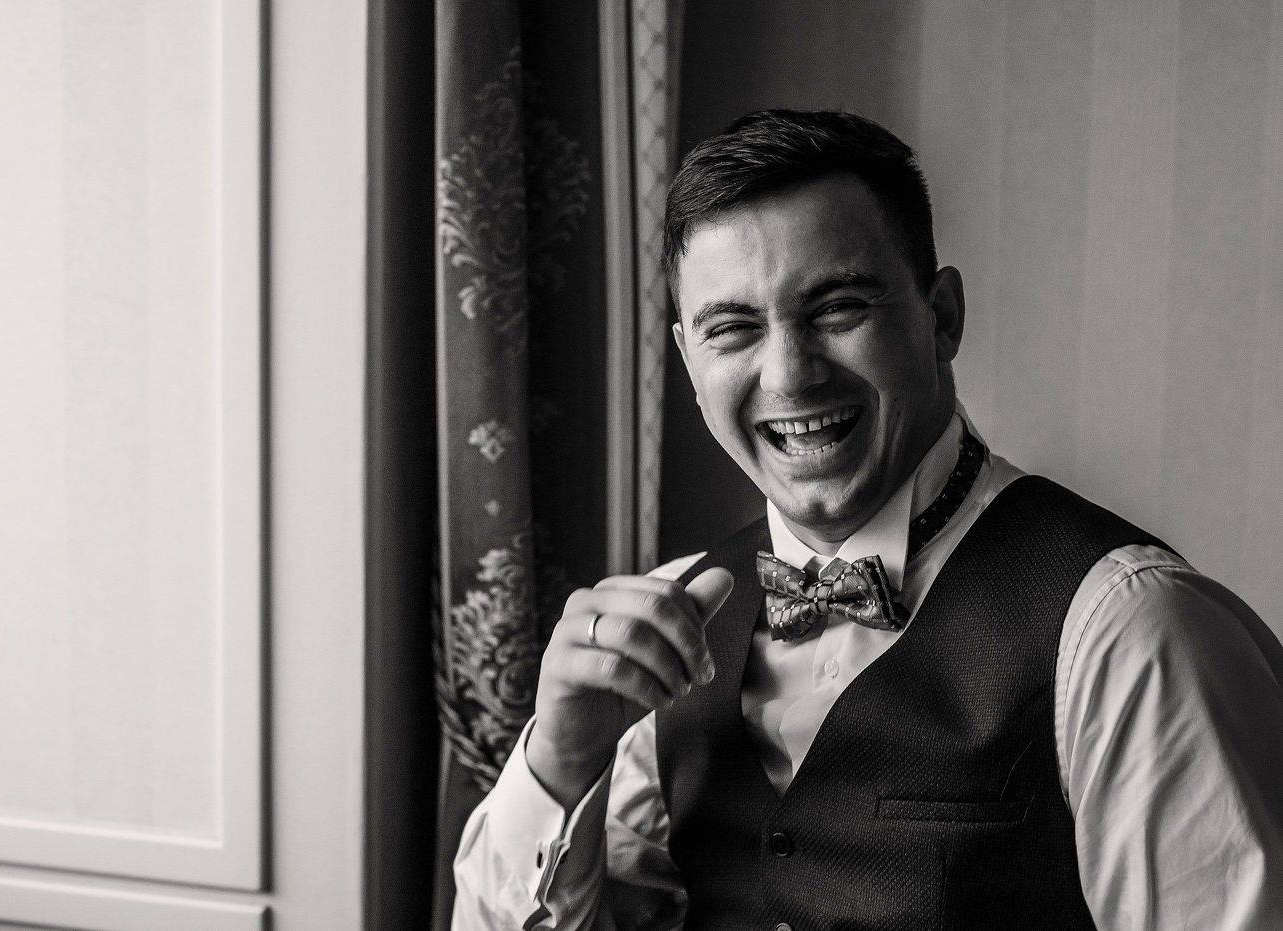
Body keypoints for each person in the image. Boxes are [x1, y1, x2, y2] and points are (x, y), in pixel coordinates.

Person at [451, 109, 1283, 929]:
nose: (789, 375)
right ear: (689, 363)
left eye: (837, 308)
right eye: (733, 329)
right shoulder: (667, 625)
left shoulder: (1129, 628)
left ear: (942, 318)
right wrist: (560, 761)